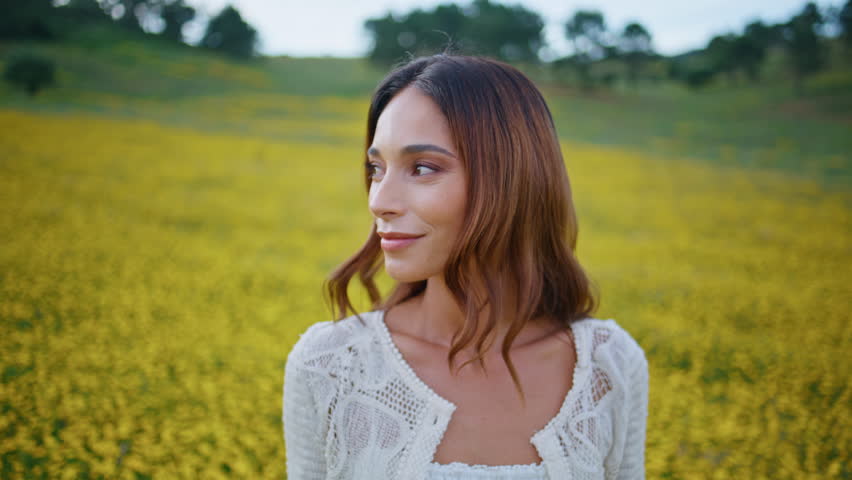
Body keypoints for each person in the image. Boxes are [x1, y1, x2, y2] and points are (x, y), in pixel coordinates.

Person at [282, 54, 649, 480]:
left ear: (513, 179)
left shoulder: (610, 365)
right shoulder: (330, 363)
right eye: (376, 168)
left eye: (422, 168)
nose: (379, 200)